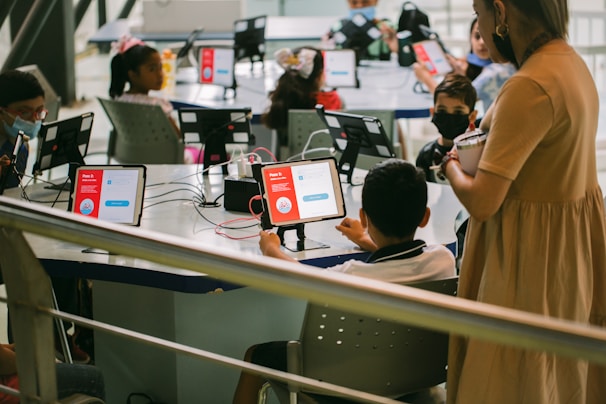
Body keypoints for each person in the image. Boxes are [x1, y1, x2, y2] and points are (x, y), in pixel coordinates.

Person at [439, 0, 606, 403]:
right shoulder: (570, 64)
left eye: (478, 13)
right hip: (568, 250)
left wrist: (450, 165)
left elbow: (483, 202)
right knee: (557, 375)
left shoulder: (529, 85)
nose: (478, 26)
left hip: (527, 256)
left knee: (512, 377)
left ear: (501, 12)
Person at [232, 159, 456, 403]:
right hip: (414, 375)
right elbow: (400, 265)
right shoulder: (443, 260)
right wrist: (366, 241)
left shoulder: (351, 276)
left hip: (341, 383)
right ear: (424, 216)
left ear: (364, 217)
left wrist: (271, 249)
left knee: (255, 355)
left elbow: (297, 276)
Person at [109, 36, 201, 163]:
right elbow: (179, 138)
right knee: (210, 153)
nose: (160, 74)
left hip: (131, 158)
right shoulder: (157, 105)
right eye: (152, 69)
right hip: (168, 160)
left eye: (160, 67)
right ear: (133, 74)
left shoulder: (119, 101)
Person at [413, 18, 516, 113]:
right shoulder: (506, 67)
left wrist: (425, 77)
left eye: (487, 36)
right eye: (477, 36)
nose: (482, 42)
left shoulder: (497, 72)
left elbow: (453, 102)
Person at [262, 47, 343, 146]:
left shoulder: (282, 99)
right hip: (327, 155)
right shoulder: (333, 101)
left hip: (290, 155)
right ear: (319, 75)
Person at [415, 73, 477, 184]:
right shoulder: (426, 155)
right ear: (433, 112)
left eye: (458, 112)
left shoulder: (477, 155)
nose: (449, 118)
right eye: (442, 111)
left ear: (472, 116)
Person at [0, 343, 105, 403]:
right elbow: (5, 362)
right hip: (12, 390)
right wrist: (34, 358)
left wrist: (10, 348)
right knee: (94, 377)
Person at [0, 70, 46, 190]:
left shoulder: (21, 146)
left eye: (39, 111)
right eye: (25, 112)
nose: (33, 120)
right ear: (2, 111)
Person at [325, 0, 398, 61]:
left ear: (376, 1)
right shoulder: (337, 27)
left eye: (365, 2)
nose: (359, 6)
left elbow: (400, 55)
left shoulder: (387, 27)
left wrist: (395, 45)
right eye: (354, 3)